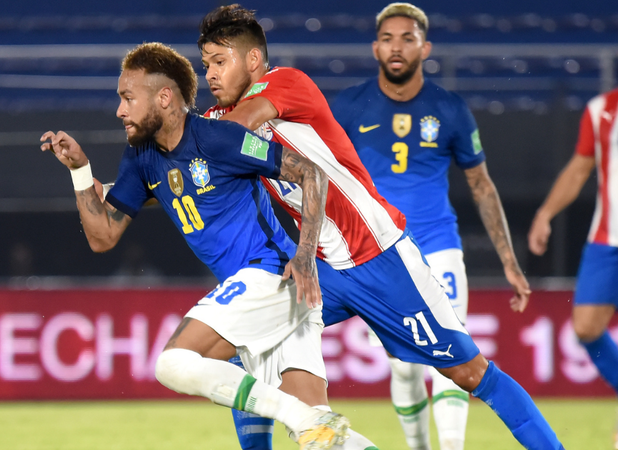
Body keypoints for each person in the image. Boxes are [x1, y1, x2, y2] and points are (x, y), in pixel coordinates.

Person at [197, 4, 562, 450]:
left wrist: (183, 136)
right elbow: (187, 171)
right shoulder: (218, 120)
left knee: (469, 374)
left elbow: (227, 136)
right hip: (324, 269)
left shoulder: (284, 83)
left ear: (253, 60)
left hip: (382, 258)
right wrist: (117, 188)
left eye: (219, 62)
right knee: (240, 343)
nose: (210, 75)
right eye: (205, 65)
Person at [41, 42, 359, 450]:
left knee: (173, 363)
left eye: (127, 97)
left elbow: (310, 173)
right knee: (322, 437)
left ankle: (299, 417)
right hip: (264, 296)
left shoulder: (218, 139)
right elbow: (103, 237)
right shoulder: (141, 159)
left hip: (272, 275)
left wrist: (305, 255)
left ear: (164, 96)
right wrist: (81, 171)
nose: (120, 110)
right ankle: (308, 421)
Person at [329, 4, 531, 450]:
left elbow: (481, 185)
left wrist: (510, 263)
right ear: (375, 47)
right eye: (388, 38)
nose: (396, 46)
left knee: (453, 351)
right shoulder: (347, 105)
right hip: (379, 253)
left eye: (407, 38)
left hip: (438, 247)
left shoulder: (450, 109)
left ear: (426, 47)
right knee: (404, 366)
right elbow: (321, 176)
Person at [528, 86, 618, 448]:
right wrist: (545, 214)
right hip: (606, 239)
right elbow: (581, 167)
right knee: (585, 327)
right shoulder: (602, 110)